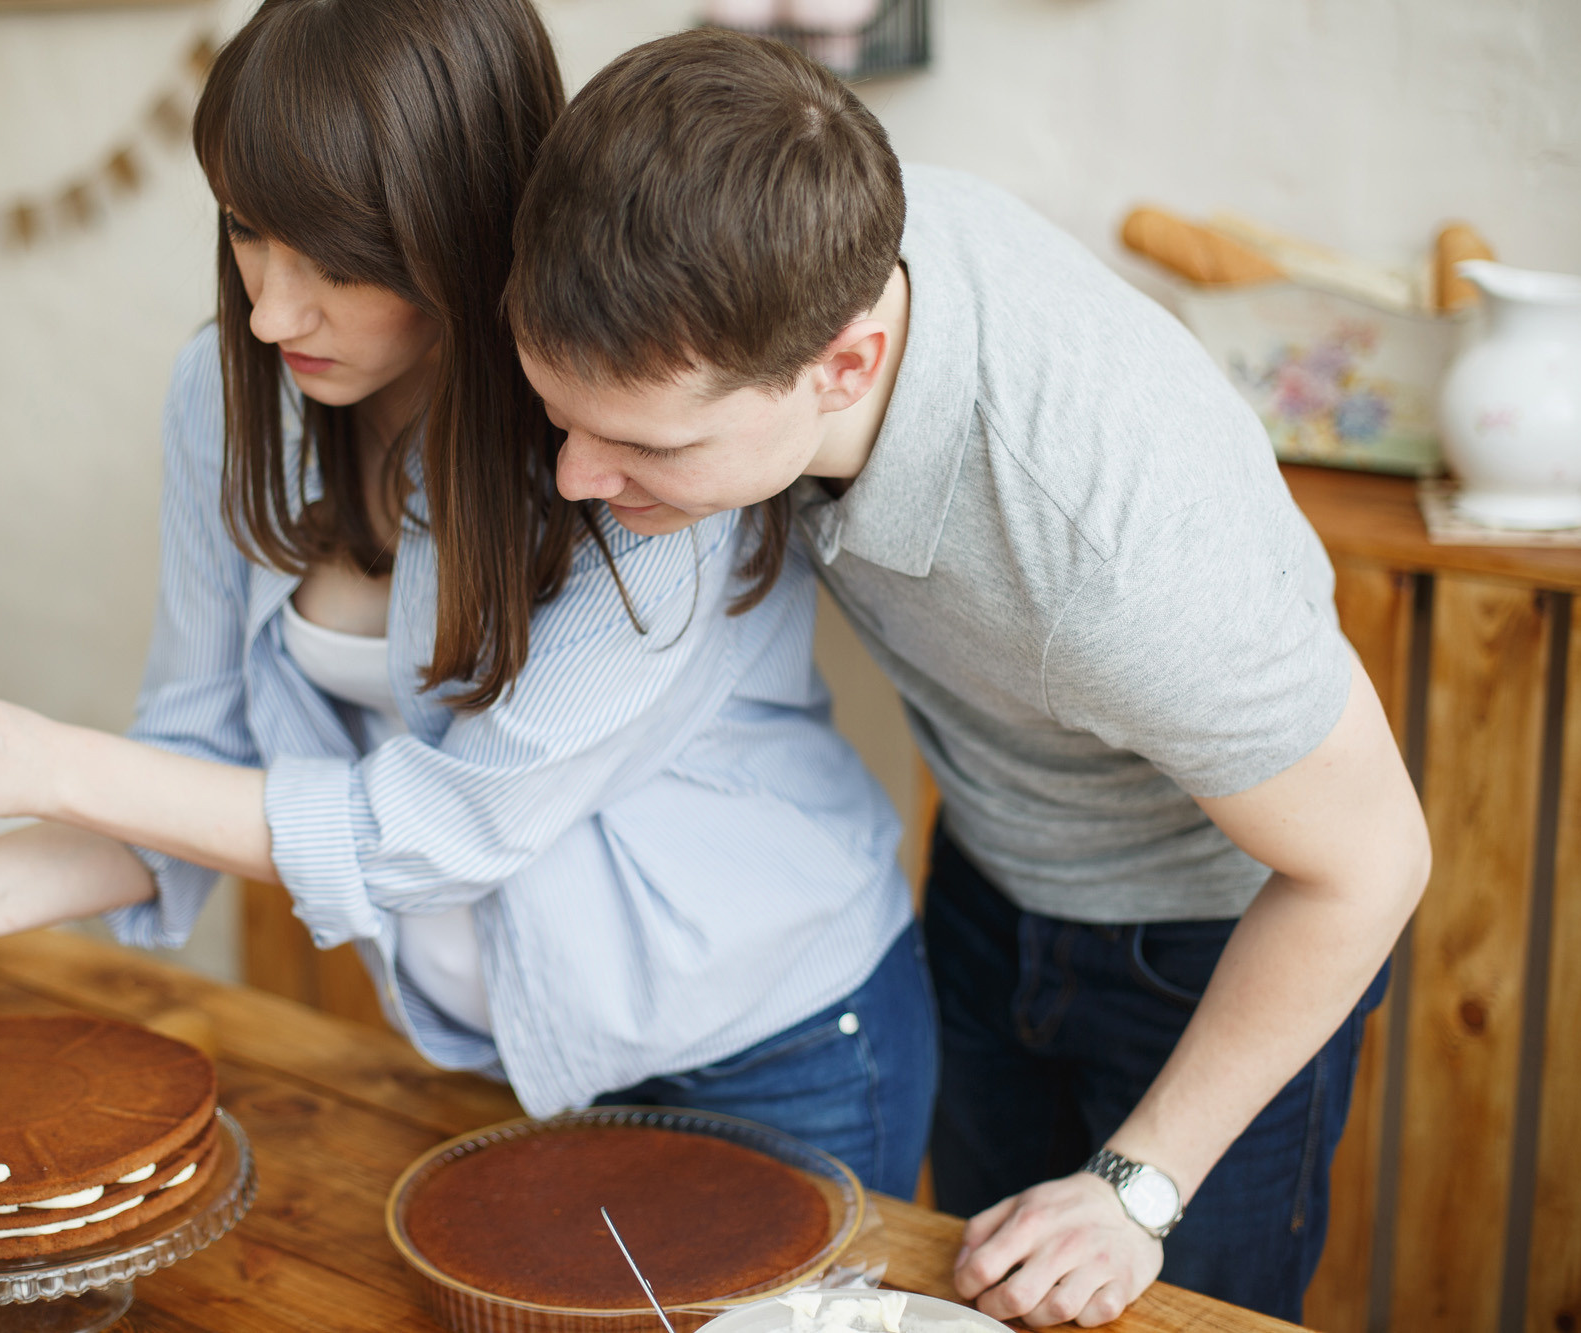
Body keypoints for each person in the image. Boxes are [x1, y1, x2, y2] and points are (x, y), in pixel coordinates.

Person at [0, 0, 937, 1196]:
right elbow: (193, 754)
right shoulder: (230, 397)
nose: (274, 309)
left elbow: (441, 831)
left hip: (777, 1038)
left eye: (337, 262)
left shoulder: (645, 462)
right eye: (245, 232)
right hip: (509, 1053)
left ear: (463, 227)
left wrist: (28, 755)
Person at [502, 28, 1430, 1325]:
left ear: (845, 366)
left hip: (1214, 948)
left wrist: (1136, 1189)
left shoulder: (1116, 549)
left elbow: (1372, 860)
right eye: (563, 418)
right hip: (991, 877)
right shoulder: (790, 232)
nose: (574, 478)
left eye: (643, 441)